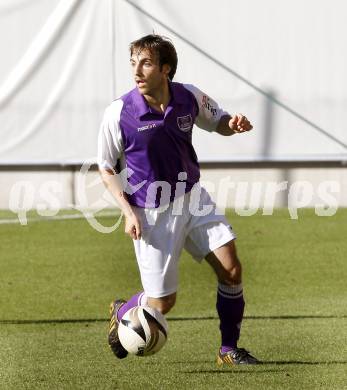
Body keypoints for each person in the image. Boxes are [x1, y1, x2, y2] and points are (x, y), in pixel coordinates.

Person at [98, 34, 259, 365]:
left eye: (145, 63)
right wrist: (127, 212)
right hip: (151, 213)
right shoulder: (119, 113)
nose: (137, 71)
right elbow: (105, 168)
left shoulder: (188, 96)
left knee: (231, 268)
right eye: (133, 63)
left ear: (165, 69)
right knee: (163, 303)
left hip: (193, 198)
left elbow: (220, 121)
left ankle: (228, 349)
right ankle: (125, 309)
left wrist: (234, 123)